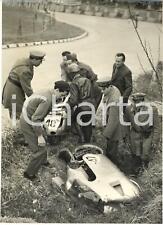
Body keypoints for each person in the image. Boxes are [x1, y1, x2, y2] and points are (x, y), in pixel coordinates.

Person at [20, 81, 70, 181]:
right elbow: (35, 119)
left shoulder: (48, 92)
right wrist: (39, 136)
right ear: (56, 90)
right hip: (28, 122)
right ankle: (29, 174)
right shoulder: (47, 99)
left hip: (31, 119)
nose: (61, 98)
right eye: (61, 94)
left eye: (64, 96)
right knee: (39, 150)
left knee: (43, 142)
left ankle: (43, 161)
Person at [2, 50, 46, 120]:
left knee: (13, 110)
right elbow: (27, 89)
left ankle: (13, 127)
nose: (41, 63)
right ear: (34, 59)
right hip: (15, 90)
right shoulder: (26, 71)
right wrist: (35, 100)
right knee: (18, 112)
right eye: (40, 61)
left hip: (9, 87)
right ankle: (17, 128)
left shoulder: (23, 60)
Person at [125, 93, 160, 174]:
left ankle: (145, 171)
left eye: (139, 101)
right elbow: (126, 125)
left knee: (145, 154)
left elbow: (157, 127)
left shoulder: (152, 109)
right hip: (135, 133)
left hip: (147, 134)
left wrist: (155, 141)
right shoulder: (128, 109)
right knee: (135, 154)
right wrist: (127, 138)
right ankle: (136, 172)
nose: (137, 104)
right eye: (135, 101)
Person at [67, 63, 96, 143]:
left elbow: (74, 100)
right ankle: (88, 140)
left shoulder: (74, 83)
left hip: (82, 106)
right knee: (88, 124)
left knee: (72, 119)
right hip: (91, 105)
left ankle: (81, 137)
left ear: (71, 74)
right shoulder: (87, 80)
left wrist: (68, 104)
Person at [103, 85, 128, 167]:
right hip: (116, 129)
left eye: (103, 89)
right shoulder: (113, 93)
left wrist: (106, 134)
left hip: (114, 131)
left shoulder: (113, 103)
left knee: (111, 152)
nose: (102, 91)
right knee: (112, 150)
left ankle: (113, 168)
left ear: (107, 88)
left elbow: (112, 121)